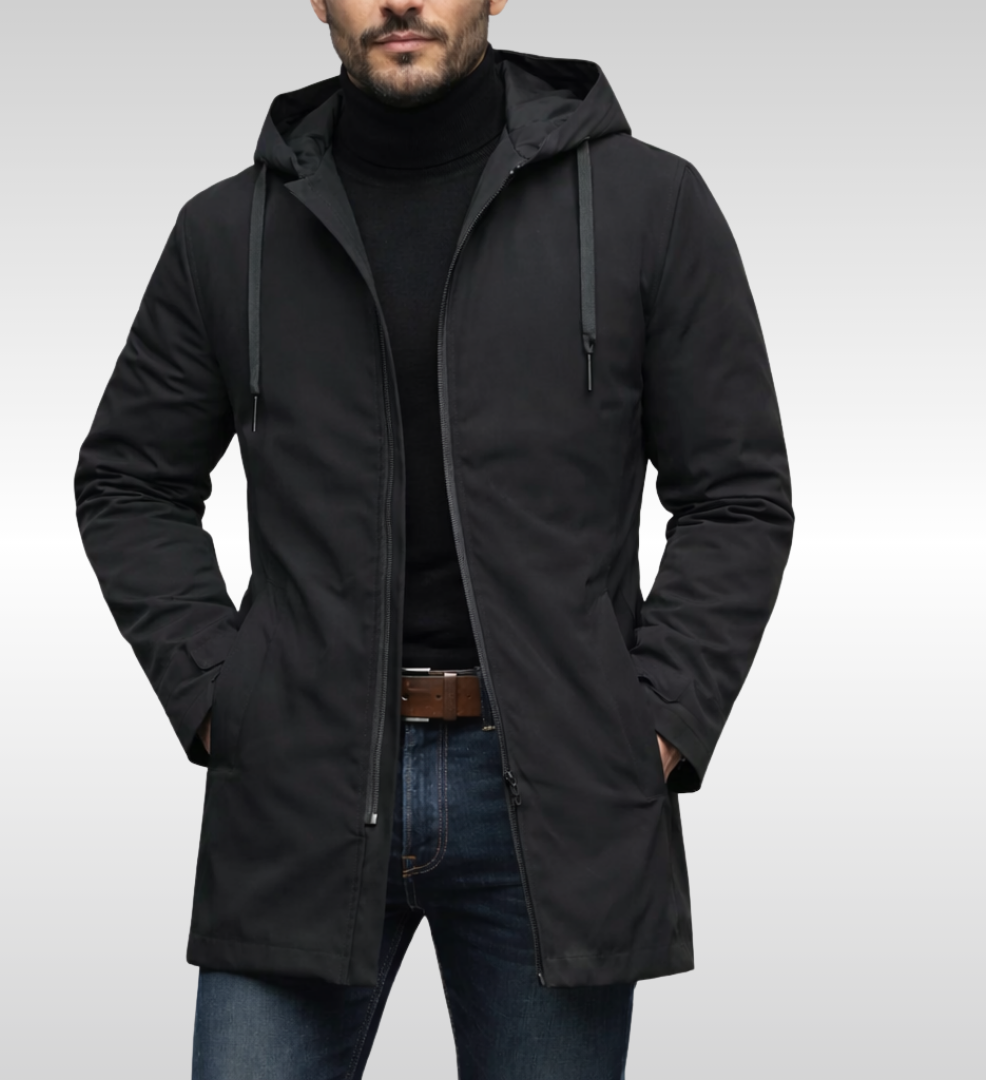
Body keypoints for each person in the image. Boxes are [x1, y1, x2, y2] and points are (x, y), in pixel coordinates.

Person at [74, 0, 794, 1075]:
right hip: (299, 789)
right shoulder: (229, 232)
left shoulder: (650, 205)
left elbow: (737, 494)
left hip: (558, 792)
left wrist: (654, 720)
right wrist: (224, 695)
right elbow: (129, 480)